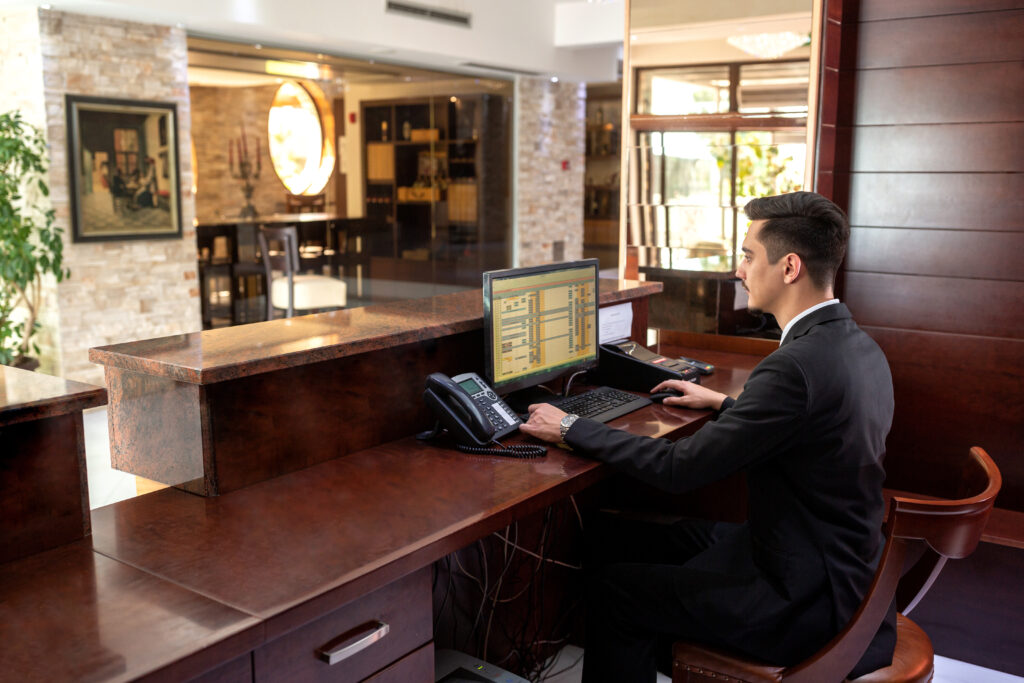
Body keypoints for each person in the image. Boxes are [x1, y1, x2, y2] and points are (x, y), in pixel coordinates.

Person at [520, 191, 896, 682]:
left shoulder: (794, 366)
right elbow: (815, 432)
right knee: (630, 533)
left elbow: (679, 469)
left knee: (618, 592)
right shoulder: (856, 346)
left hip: (801, 601)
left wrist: (569, 425)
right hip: (836, 571)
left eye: (747, 255)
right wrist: (723, 403)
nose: (738, 270)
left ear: (788, 267)